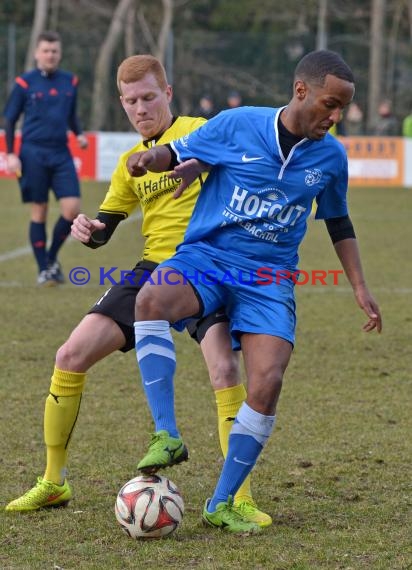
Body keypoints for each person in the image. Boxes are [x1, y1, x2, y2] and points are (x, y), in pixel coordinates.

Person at [4, 54, 270, 528]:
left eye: (149, 97)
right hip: (153, 270)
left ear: (167, 93)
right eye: (131, 101)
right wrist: (90, 229)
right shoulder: (131, 164)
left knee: (225, 369)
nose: (141, 108)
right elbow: (108, 222)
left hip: (207, 267)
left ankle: (239, 498)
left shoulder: (198, 130)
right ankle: (53, 480)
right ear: (121, 104)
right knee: (70, 355)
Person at [126, 50, 383, 534]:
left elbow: (338, 221)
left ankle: (221, 502)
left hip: (270, 280)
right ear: (300, 90)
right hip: (209, 259)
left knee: (267, 382)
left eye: (342, 108)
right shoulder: (240, 123)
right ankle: (168, 433)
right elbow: (177, 152)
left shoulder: (331, 156)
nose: (335, 116)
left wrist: (360, 287)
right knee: (150, 300)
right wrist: (151, 158)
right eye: (330, 104)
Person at [3, 30, 88, 287]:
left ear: (59, 53)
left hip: (61, 152)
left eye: (54, 51)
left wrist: (79, 134)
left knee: (72, 209)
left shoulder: (70, 82)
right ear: (36, 53)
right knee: (39, 211)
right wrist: (9, 153)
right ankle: (44, 270)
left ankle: (50, 258)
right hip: (32, 153)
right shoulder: (24, 83)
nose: (50, 55)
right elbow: (9, 119)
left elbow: (72, 115)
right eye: (46, 50)